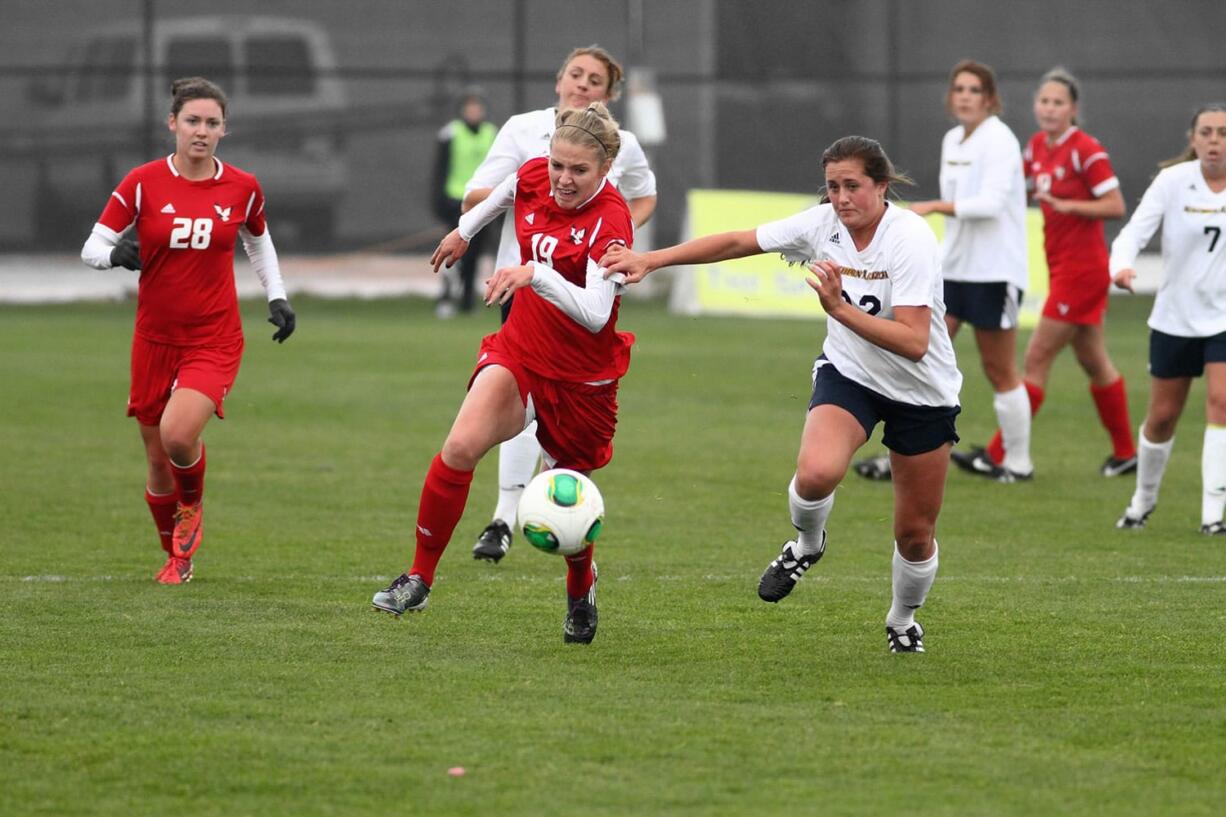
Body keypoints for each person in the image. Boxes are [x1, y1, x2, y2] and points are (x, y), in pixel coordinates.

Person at [603, 136, 962, 653]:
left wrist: (840, 310)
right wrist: (653, 260)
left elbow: (914, 341)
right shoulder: (822, 226)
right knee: (816, 474)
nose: (841, 198)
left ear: (882, 187)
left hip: (922, 392)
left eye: (853, 186)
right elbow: (735, 242)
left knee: (914, 533)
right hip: (851, 375)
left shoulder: (909, 239)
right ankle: (807, 544)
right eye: (834, 186)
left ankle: (902, 620)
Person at [372, 103, 635, 644]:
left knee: (568, 495)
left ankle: (581, 585)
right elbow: (509, 191)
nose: (561, 179)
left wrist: (534, 273)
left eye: (578, 170)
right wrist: (464, 231)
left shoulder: (612, 221)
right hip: (521, 350)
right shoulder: (537, 173)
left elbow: (593, 314)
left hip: (582, 379)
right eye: (557, 164)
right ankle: (418, 576)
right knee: (459, 448)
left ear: (606, 166)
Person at [80, 77, 296, 584]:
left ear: (224, 130)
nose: (202, 131)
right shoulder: (142, 182)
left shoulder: (242, 187)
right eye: (193, 121)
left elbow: (258, 242)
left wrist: (278, 296)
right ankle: (177, 559)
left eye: (212, 123)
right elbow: (92, 245)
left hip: (213, 337)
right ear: (172, 124)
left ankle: (192, 506)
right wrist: (115, 255)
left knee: (179, 436)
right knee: (156, 460)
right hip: (154, 339)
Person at [461, 45, 657, 564]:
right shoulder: (523, 129)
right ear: (558, 80)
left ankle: (554, 504)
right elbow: (474, 194)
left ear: (609, 95)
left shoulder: (623, 145)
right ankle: (504, 516)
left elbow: (644, 195)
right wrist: (509, 205)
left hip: (585, 294)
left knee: (562, 420)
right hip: (520, 288)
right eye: (576, 74)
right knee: (514, 403)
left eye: (596, 80)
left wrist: (611, 240)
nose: (583, 85)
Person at [953, 68, 1135, 478]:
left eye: (1058, 103)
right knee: (1094, 361)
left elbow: (1116, 205)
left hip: (1083, 270)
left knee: (1036, 357)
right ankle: (1126, 453)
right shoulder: (1036, 146)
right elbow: (1015, 186)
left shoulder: (1085, 148)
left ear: (1073, 109)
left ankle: (999, 454)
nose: (1049, 109)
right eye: (1044, 101)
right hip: (1060, 266)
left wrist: (1072, 206)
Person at [856, 60, 1029, 484]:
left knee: (999, 369)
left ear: (989, 99)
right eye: (959, 89)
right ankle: (896, 457)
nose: (966, 96)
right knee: (910, 356)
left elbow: (989, 205)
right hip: (953, 270)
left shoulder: (1000, 140)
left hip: (995, 272)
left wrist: (934, 206)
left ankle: (1019, 463)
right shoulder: (953, 139)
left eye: (974, 90)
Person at [1112, 103, 1226, 533]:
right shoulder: (1173, 181)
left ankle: (1213, 516)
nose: (1215, 141)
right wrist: (1120, 267)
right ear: (1193, 138)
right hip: (1175, 317)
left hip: (1223, 319)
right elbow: (1133, 233)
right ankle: (1141, 502)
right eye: (1207, 133)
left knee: (1222, 403)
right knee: (1161, 417)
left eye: (1223, 133)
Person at [431, 88, 497, 317]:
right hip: (455, 201)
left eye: (477, 107)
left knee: (474, 254)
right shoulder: (451, 133)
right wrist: (440, 202)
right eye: (469, 107)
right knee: (453, 253)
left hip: (482, 202)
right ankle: (446, 298)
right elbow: (440, 170)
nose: (474, 111)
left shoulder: (491, 133)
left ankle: (468, 300)